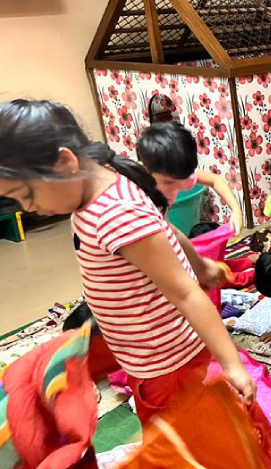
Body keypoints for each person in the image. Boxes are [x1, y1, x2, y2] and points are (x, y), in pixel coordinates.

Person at [0, 100, 255, 423]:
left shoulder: (114, 214)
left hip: (165, 363)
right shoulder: (105, 184)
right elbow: (162, 227)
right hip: (146, 355)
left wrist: (232, 365)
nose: (29, 207)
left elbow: (186, 293)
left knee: (182, 452)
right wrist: (201, 264)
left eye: (27, 195)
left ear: (65, 162)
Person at [137, 121, 244, 233]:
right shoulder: (131, 192)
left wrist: (236, 211)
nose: (177, 188)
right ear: (145, 169)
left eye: (182, 180)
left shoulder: (178, 176)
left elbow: (215, 180)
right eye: (168, 182)